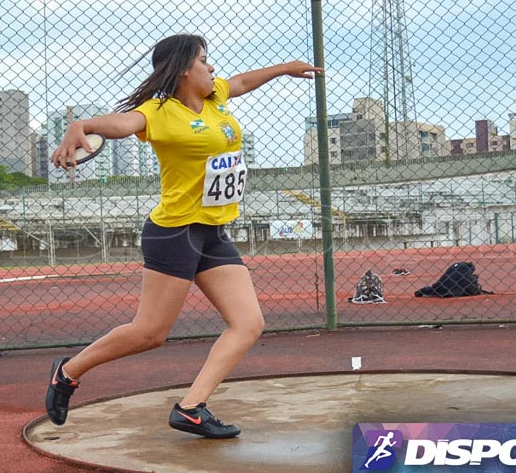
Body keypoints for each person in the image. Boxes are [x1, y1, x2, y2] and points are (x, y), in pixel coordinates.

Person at [46, 34, 321, 439]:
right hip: (173, 233)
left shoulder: (216, 99)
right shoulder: (160, 112)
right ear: (183, 71)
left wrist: (285, 68)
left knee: (248, 323)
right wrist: (80, 124)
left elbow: (242, 82)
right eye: (205, 61)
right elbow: (123, 124)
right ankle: (68, 373)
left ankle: (191, 408)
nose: (212, 68)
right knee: (149, 333)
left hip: (211, 232)